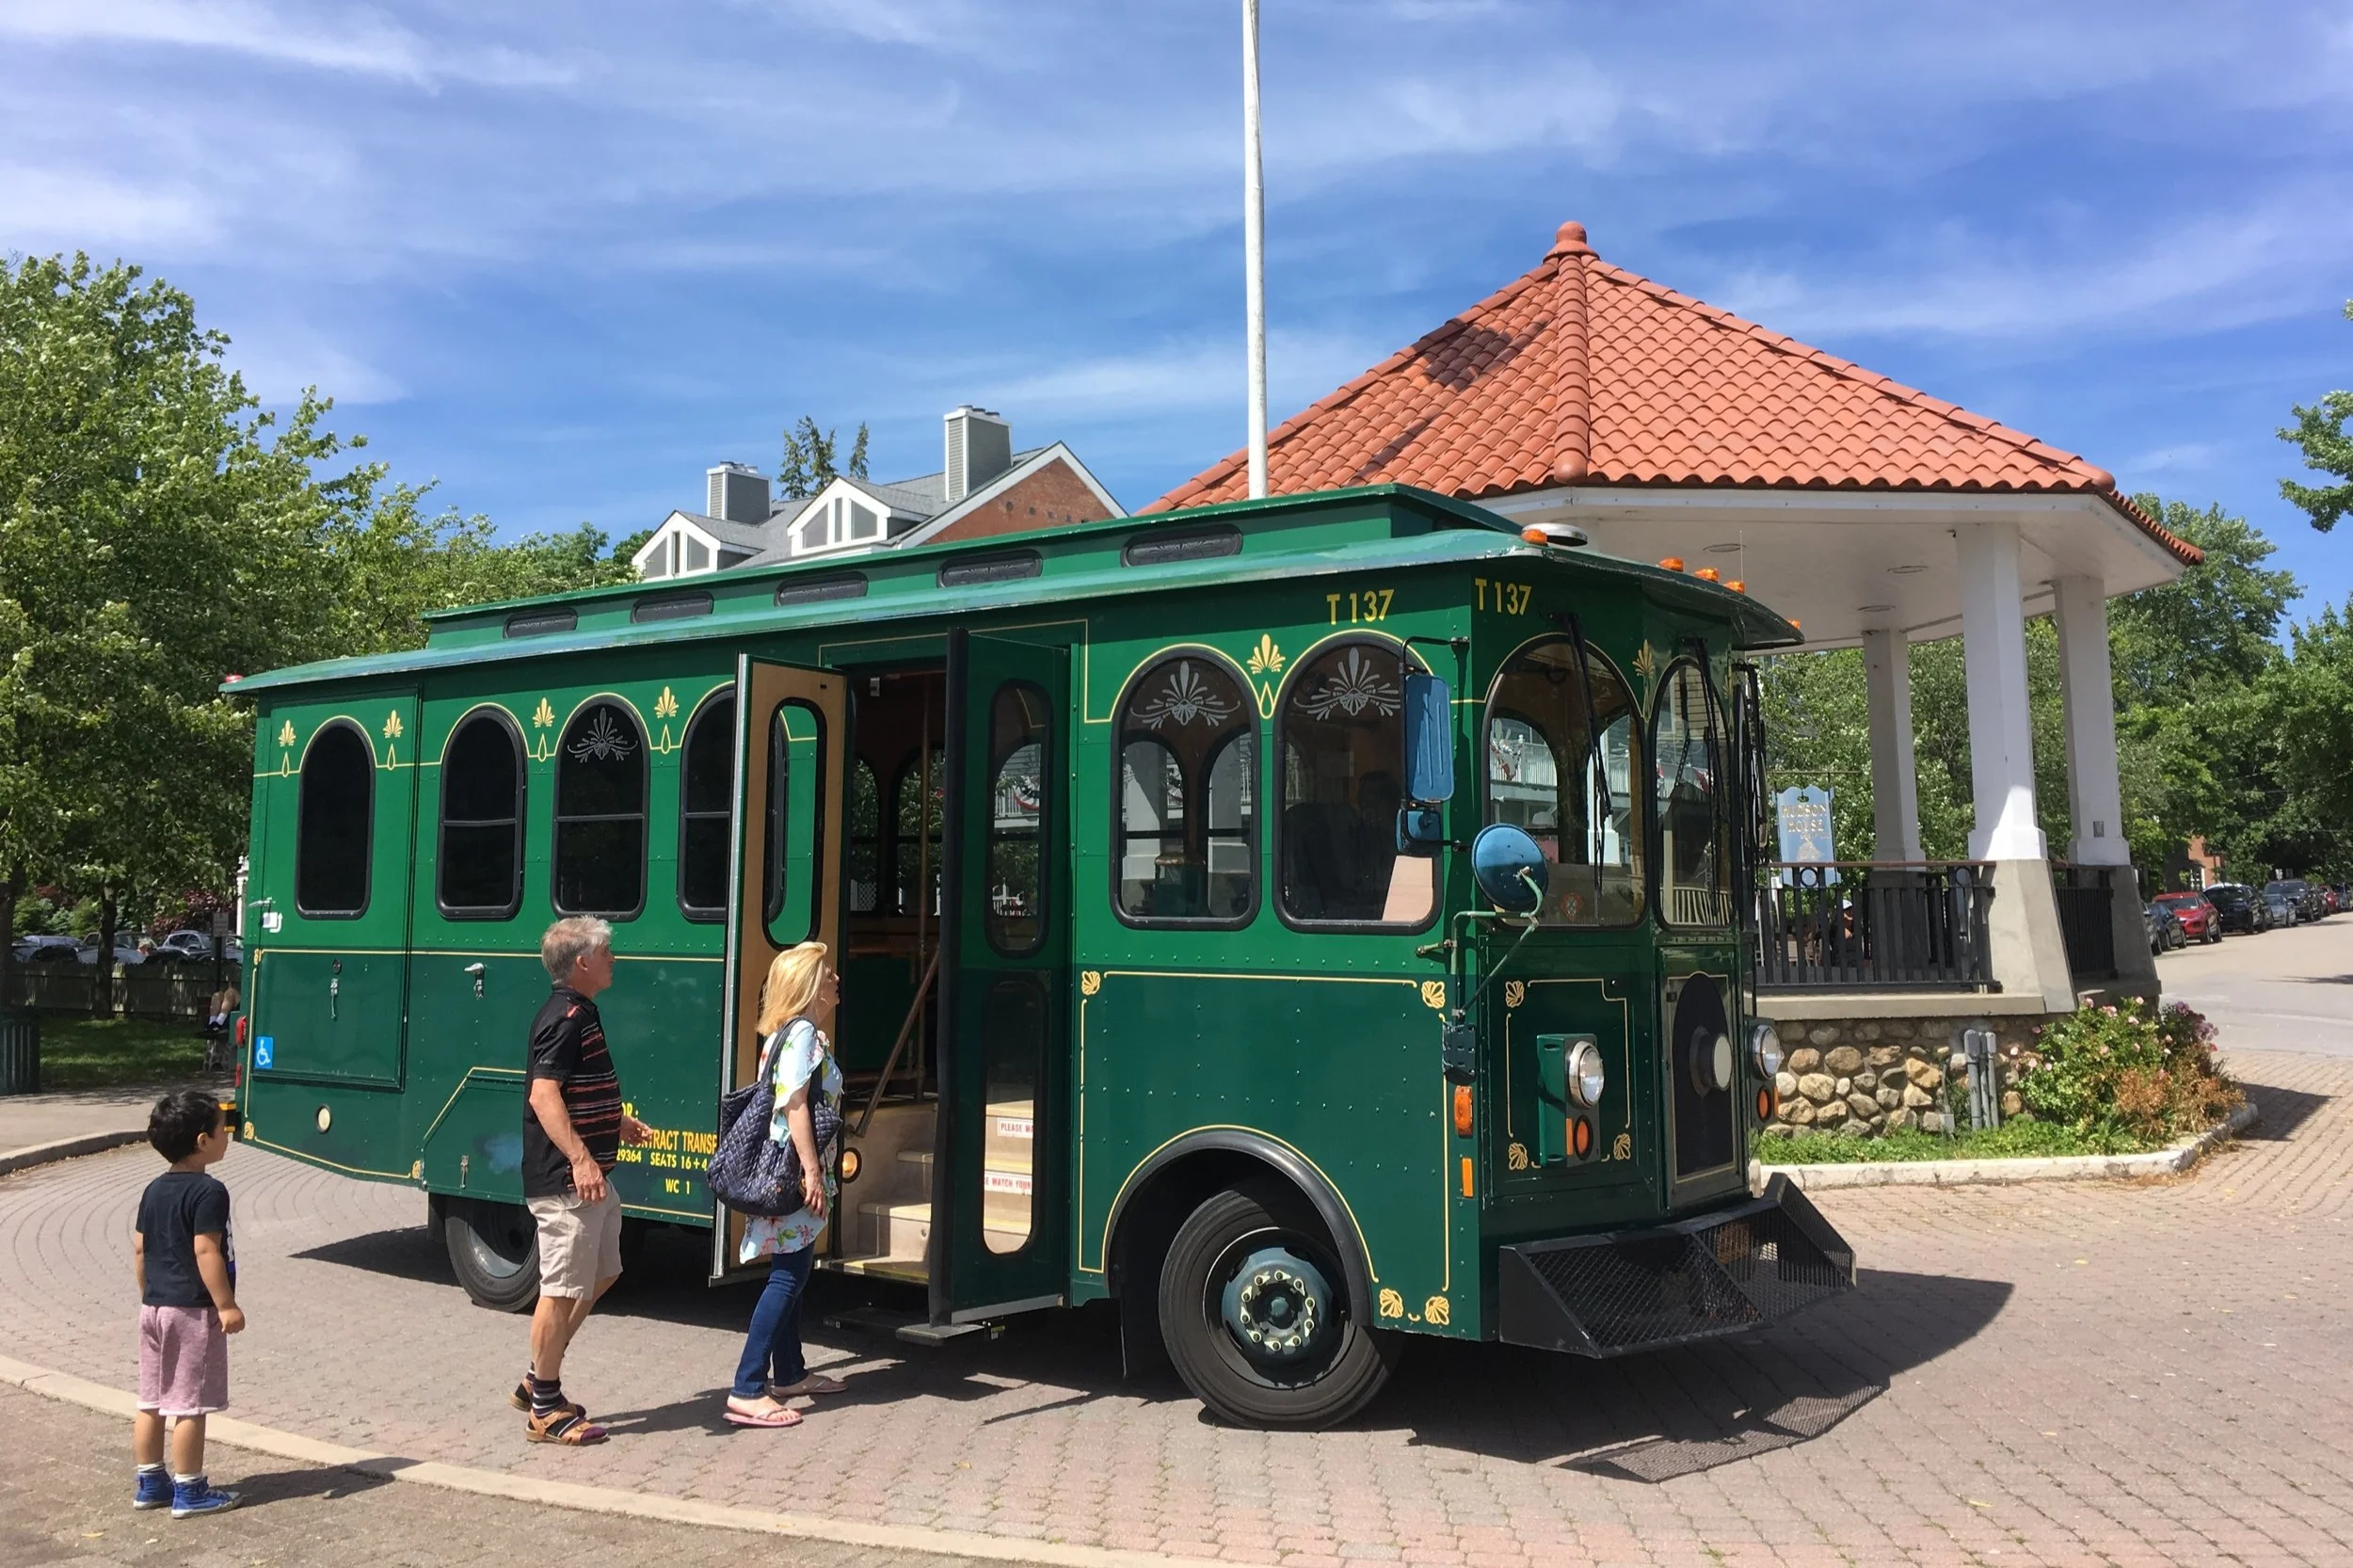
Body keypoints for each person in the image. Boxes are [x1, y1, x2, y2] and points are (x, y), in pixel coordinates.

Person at [516, 916, 652, 1446]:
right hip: (568, 1182)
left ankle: (537, 1380)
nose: (614, 958)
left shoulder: (580, 1013)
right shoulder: (566, 1017)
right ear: (582, 963)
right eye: (607, 950)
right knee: (560, 1289)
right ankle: (545, 1409)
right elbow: (543, 1094)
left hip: (592, 1174)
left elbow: (570, 1090)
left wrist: (613, 1122)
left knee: (602, 1273)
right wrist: (580, 1158)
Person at [724, 941, 850, 1429]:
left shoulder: (789, 1033)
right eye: (828, 973)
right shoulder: (803, 1036)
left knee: (792, 1268)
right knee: (789, 1277)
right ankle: (747, 1387)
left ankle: (790, 1372)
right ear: (809, 986)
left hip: (787, 1168)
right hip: (792, 1172)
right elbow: (794, 1104)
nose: (836, 980)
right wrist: (812, 1170)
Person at [132, 1089, 245, 1518]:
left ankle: (150, 1481)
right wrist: (226, 1304)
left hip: (154, 1308)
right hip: (193, 1310)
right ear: (202, 1141)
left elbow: (140, 1250)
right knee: (189, 1403)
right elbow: (206, 1251)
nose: (226, 1134)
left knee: (151, 1398)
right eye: (222, 1127)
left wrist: (149, 1292)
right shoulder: (209, 1191)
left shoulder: (153, 1190)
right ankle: (190, 1489)